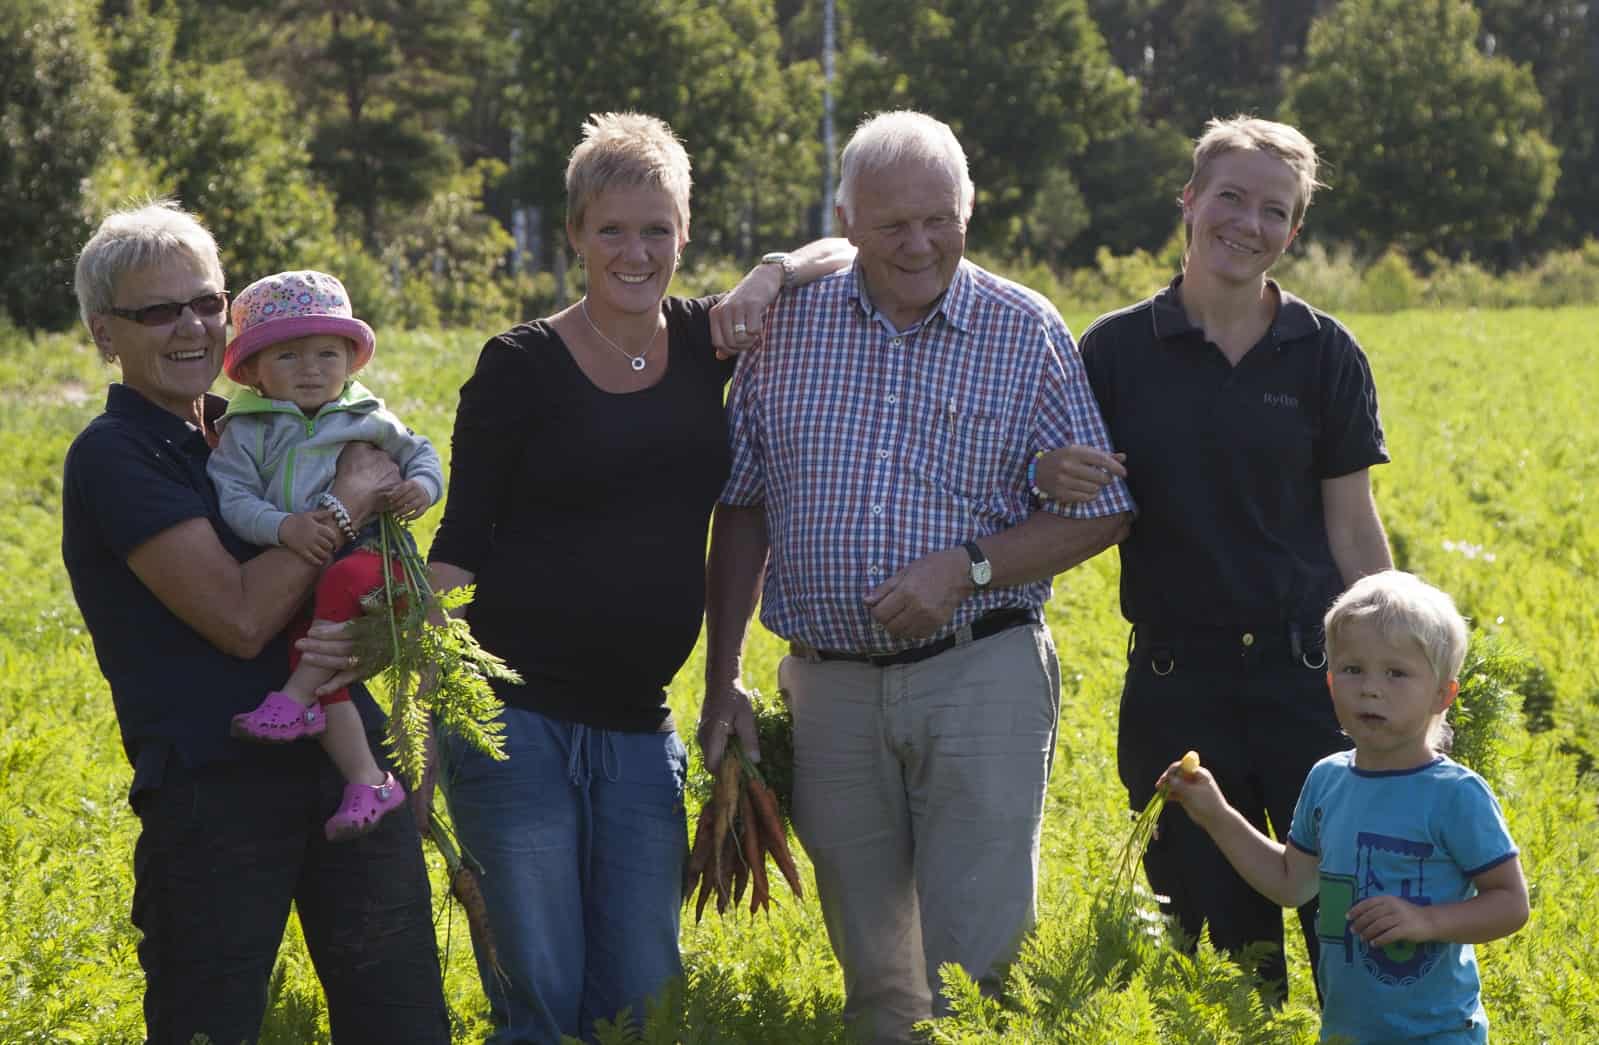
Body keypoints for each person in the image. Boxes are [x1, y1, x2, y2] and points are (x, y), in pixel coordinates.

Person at [700, 110, 1135, 1044]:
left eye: (940, 218)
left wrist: (969, 565)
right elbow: (740, 504)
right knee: (874, 977)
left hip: (978, 671)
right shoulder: (785, 327)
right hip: (829, 688)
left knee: (981, 971)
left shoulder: (1023, 329)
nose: (919, 243)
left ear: (968, 211)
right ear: (845, 220)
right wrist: (722, 669)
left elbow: (1102, 506)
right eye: (892, 223)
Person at [423, 112, 851, 1044]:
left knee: (644, 995)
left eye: (657, 228)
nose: (635, 250)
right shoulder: (518, 365)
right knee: (539, 983)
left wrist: (771, 268)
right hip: (510, 720)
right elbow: (457, 542)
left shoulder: (706, 340)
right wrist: (429, 711)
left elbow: (838, 246)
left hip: (638, 722)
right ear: (574, 233)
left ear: (684, 234)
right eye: (611, 228)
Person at [62, 201, 449, 1043]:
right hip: (213, 792)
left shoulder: (249, 429)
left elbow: (363, 589)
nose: (192, 326)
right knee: (212, 1025)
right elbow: (240, 619)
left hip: (347, 768)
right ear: (104, 332)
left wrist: (382, 622)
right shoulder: (117, 454)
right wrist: (344, 502)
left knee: (403, 1020)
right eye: (158, 310)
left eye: (206, 301)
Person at [1037, 116, 1395, 996]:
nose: (1246, 223)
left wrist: (1403, 667)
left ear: (1293, 232)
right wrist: (1047, 471)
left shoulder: (1325, 354)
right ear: (1188, 200)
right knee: (1222, 962)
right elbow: (1065, 502)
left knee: (1357, 934)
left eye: (1273, 211)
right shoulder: (1115, 350)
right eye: (1228, 196)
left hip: (1311, 686)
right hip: (1175, 688)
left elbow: (1353, 530)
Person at [1159, 570, 1529, 1042]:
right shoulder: (1328, 779)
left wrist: (1427, 921)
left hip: (1438, 1032)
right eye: (1353, 670)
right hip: (1347, 1031)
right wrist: (1215, 813)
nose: (1371, 688)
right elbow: (1291, 883)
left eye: (1396, 673)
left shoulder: (1454, 794)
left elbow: (1510, 903)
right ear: (1331, 683)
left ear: (1442, 695)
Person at [207, 269, 445, 841]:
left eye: (327, 353)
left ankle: (292, 700)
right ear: (255, 372)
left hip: (374, 559)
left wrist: (421, 488)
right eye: (288, 357)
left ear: (350, 359)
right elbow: (232, 496)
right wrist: (282, 526)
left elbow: (422, 455)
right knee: (311, 652)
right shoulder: (247, 431)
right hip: (302, 573)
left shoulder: (365, 417)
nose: (311, 369)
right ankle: (366, 779)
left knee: (335, 601)